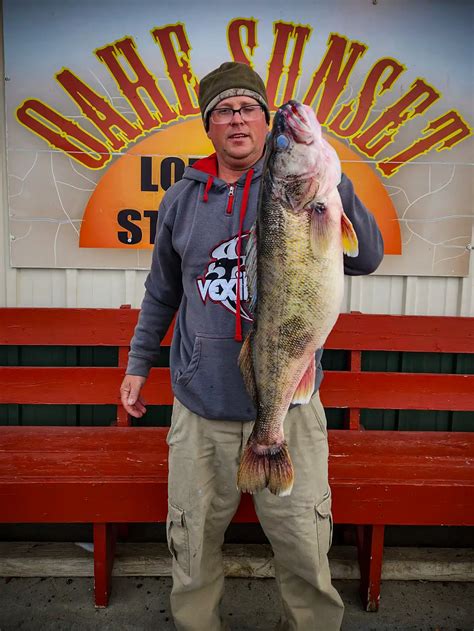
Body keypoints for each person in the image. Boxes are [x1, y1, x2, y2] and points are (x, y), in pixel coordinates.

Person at [120, 61, 384, 631]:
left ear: (265, 124)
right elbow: (162, 292)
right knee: (190, 548)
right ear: (208, 126)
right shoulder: (181, 201)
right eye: (223, 111)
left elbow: (364, 257)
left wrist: (337, 187)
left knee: (305, 550)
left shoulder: (304, 190)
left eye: (248, 110)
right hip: (200, 406)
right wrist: (139, 363)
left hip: (290, 406)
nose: (237, 120)